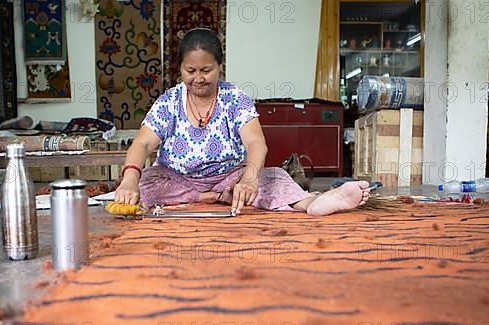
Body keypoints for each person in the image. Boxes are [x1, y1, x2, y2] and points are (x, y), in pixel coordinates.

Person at [114, 28, 370, 216]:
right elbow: (143, 143)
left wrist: (248, 179)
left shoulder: (234, 98)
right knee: (145, 183)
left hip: (230, 177)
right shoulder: (168, 101)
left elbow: (256, 142)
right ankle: (209, 197)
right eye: (190, 71)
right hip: (177, 178)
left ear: (220, 67)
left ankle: (311, 204)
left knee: (272, 178)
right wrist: (129, 179)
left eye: (206, 70)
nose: (198, 78)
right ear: (180, 69)